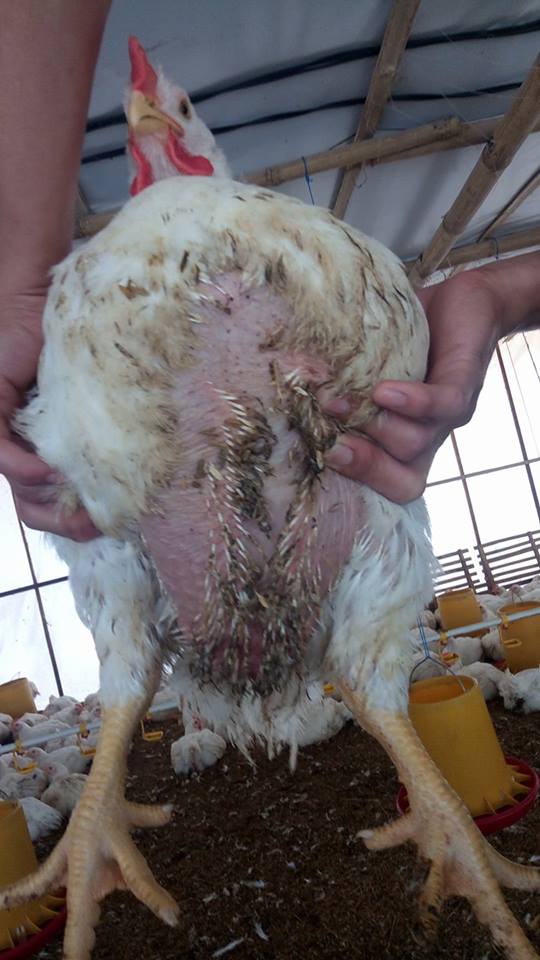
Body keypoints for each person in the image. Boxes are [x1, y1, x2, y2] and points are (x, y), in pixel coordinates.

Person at [1, 3, 539, 542]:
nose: (148, 114)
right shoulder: (105, 297)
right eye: (140, 115)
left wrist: (496, 291)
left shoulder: (307, 254)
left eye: (179, 109)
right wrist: (493, 291)